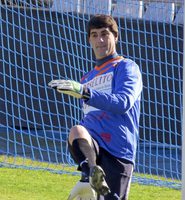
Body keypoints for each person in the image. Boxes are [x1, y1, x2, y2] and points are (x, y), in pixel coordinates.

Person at [48, 14, 143, 200]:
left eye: (104, 34)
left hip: (117, 150)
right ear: (89, 40)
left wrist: (85, 93)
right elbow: (90, 116)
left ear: (115, 37)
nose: (99, 40)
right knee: (76, 130)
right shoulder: (87, 78)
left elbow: (123, 102)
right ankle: (89, 175)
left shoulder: (126, 67)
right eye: (94, 35)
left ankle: (91, 179)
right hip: (93, 146)